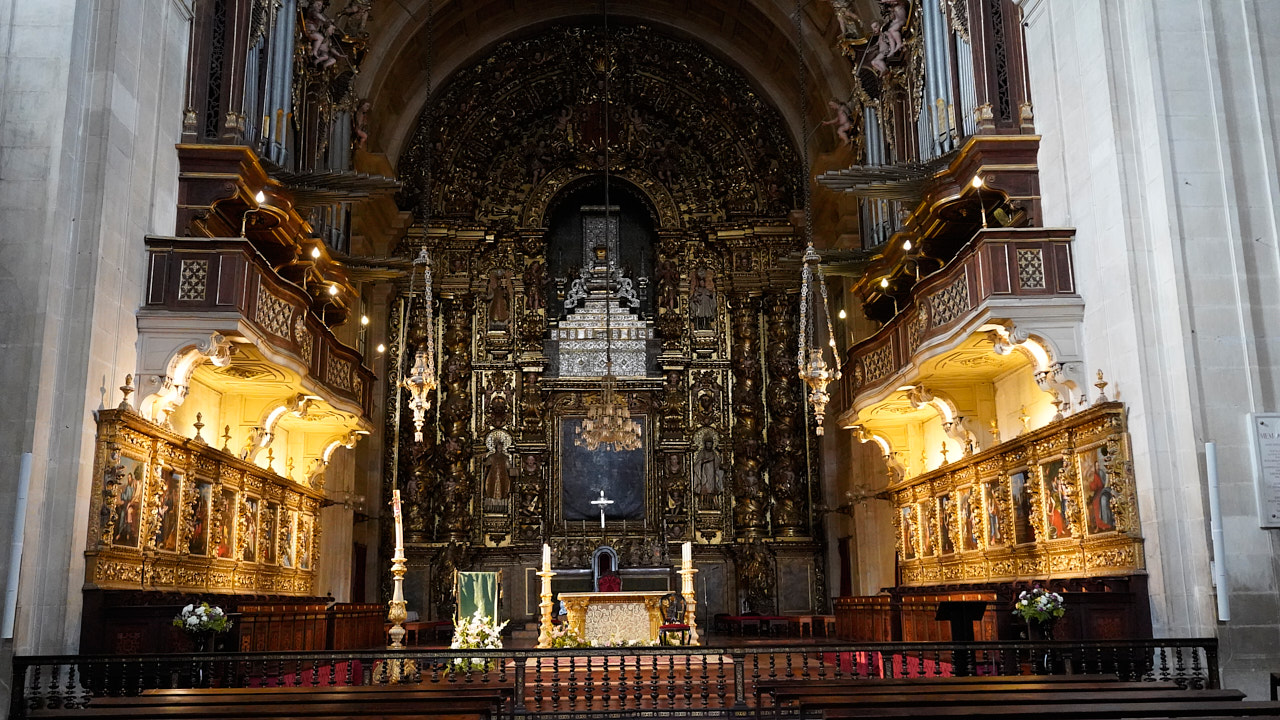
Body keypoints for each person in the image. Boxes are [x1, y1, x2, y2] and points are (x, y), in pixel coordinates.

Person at [692, 435, 725, 505]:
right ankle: (702, 502)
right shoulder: (702, 452)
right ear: (705, 444)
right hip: (704, 471)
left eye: (710, 444)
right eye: (707, 444)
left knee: (711, 487)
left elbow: (717, 462)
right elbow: (697, 463)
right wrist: (706, 460)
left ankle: (711, 503)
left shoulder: (713, 453)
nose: (708, 445)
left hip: (712, 472)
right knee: (704, 486)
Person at [482, 435, 512, 500]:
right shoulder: (491, 457)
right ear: (496, 447)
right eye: (498, 447)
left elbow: (509, 467)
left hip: (503, 475)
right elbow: (486, 464)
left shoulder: (505, 457)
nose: (499, 449)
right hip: (492, 475)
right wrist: (483, 459)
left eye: (501, 447)